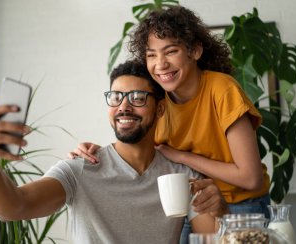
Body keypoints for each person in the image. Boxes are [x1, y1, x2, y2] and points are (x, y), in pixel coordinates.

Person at [68, 5, 271, 244]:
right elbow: (139, 149)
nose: (160, 64)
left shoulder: (222, 90)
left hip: (240, 206)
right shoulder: (158, 102)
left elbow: (250, 178)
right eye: (151, 55)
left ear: (194, 51)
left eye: (170, 51)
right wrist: (95, 152)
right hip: (189, 204)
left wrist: (182, 157)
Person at [0, 60, 227, 244]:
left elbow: (213, 240)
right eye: (116, 97)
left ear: (160, 109)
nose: (123, 107)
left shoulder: (181, 175)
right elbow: (13, 207)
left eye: (137, 97)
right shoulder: (80, 169)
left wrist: (220, 211)